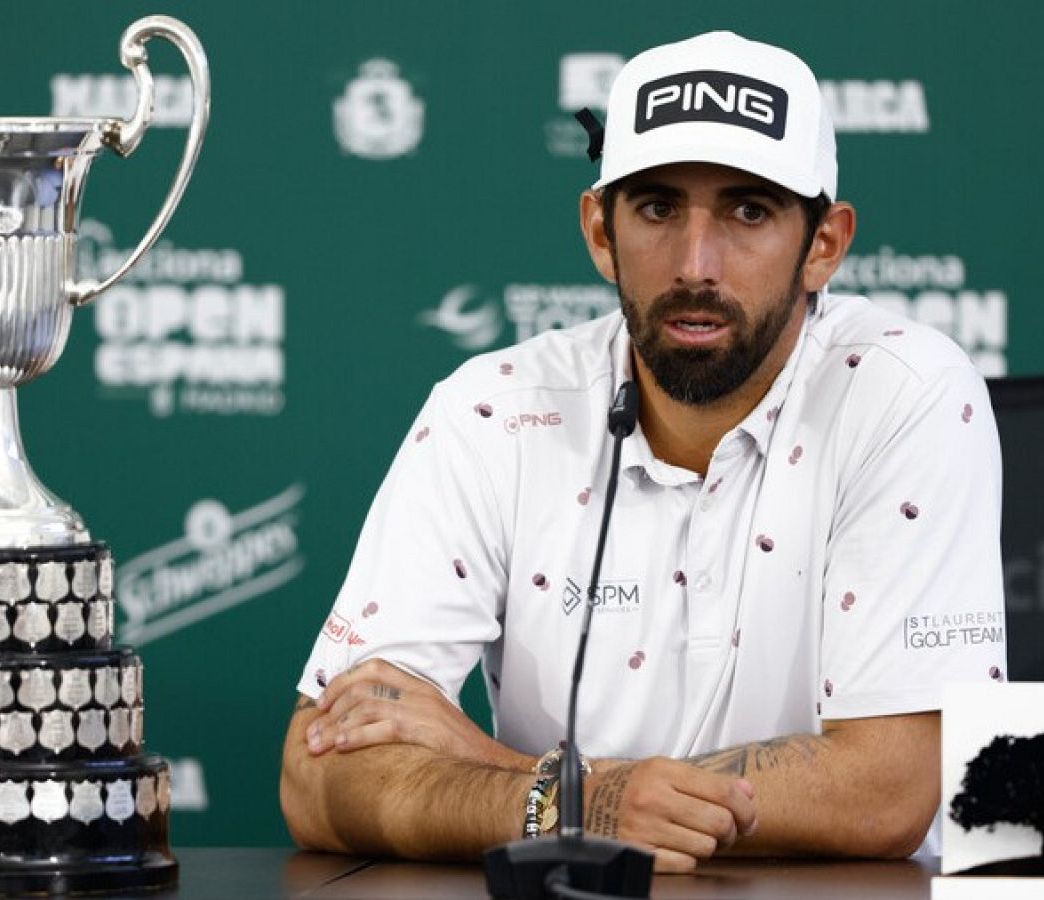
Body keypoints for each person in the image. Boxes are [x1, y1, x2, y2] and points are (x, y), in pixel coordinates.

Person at [280, 31, 1006, 872]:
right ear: (600, 229)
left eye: (749, 211)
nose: (697, 265)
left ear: (824, 245)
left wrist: (544, 788)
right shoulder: (494, 411)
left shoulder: (903, 391)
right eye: (658, 209)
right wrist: (579, 802)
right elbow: (317, 775)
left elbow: (888, 788)